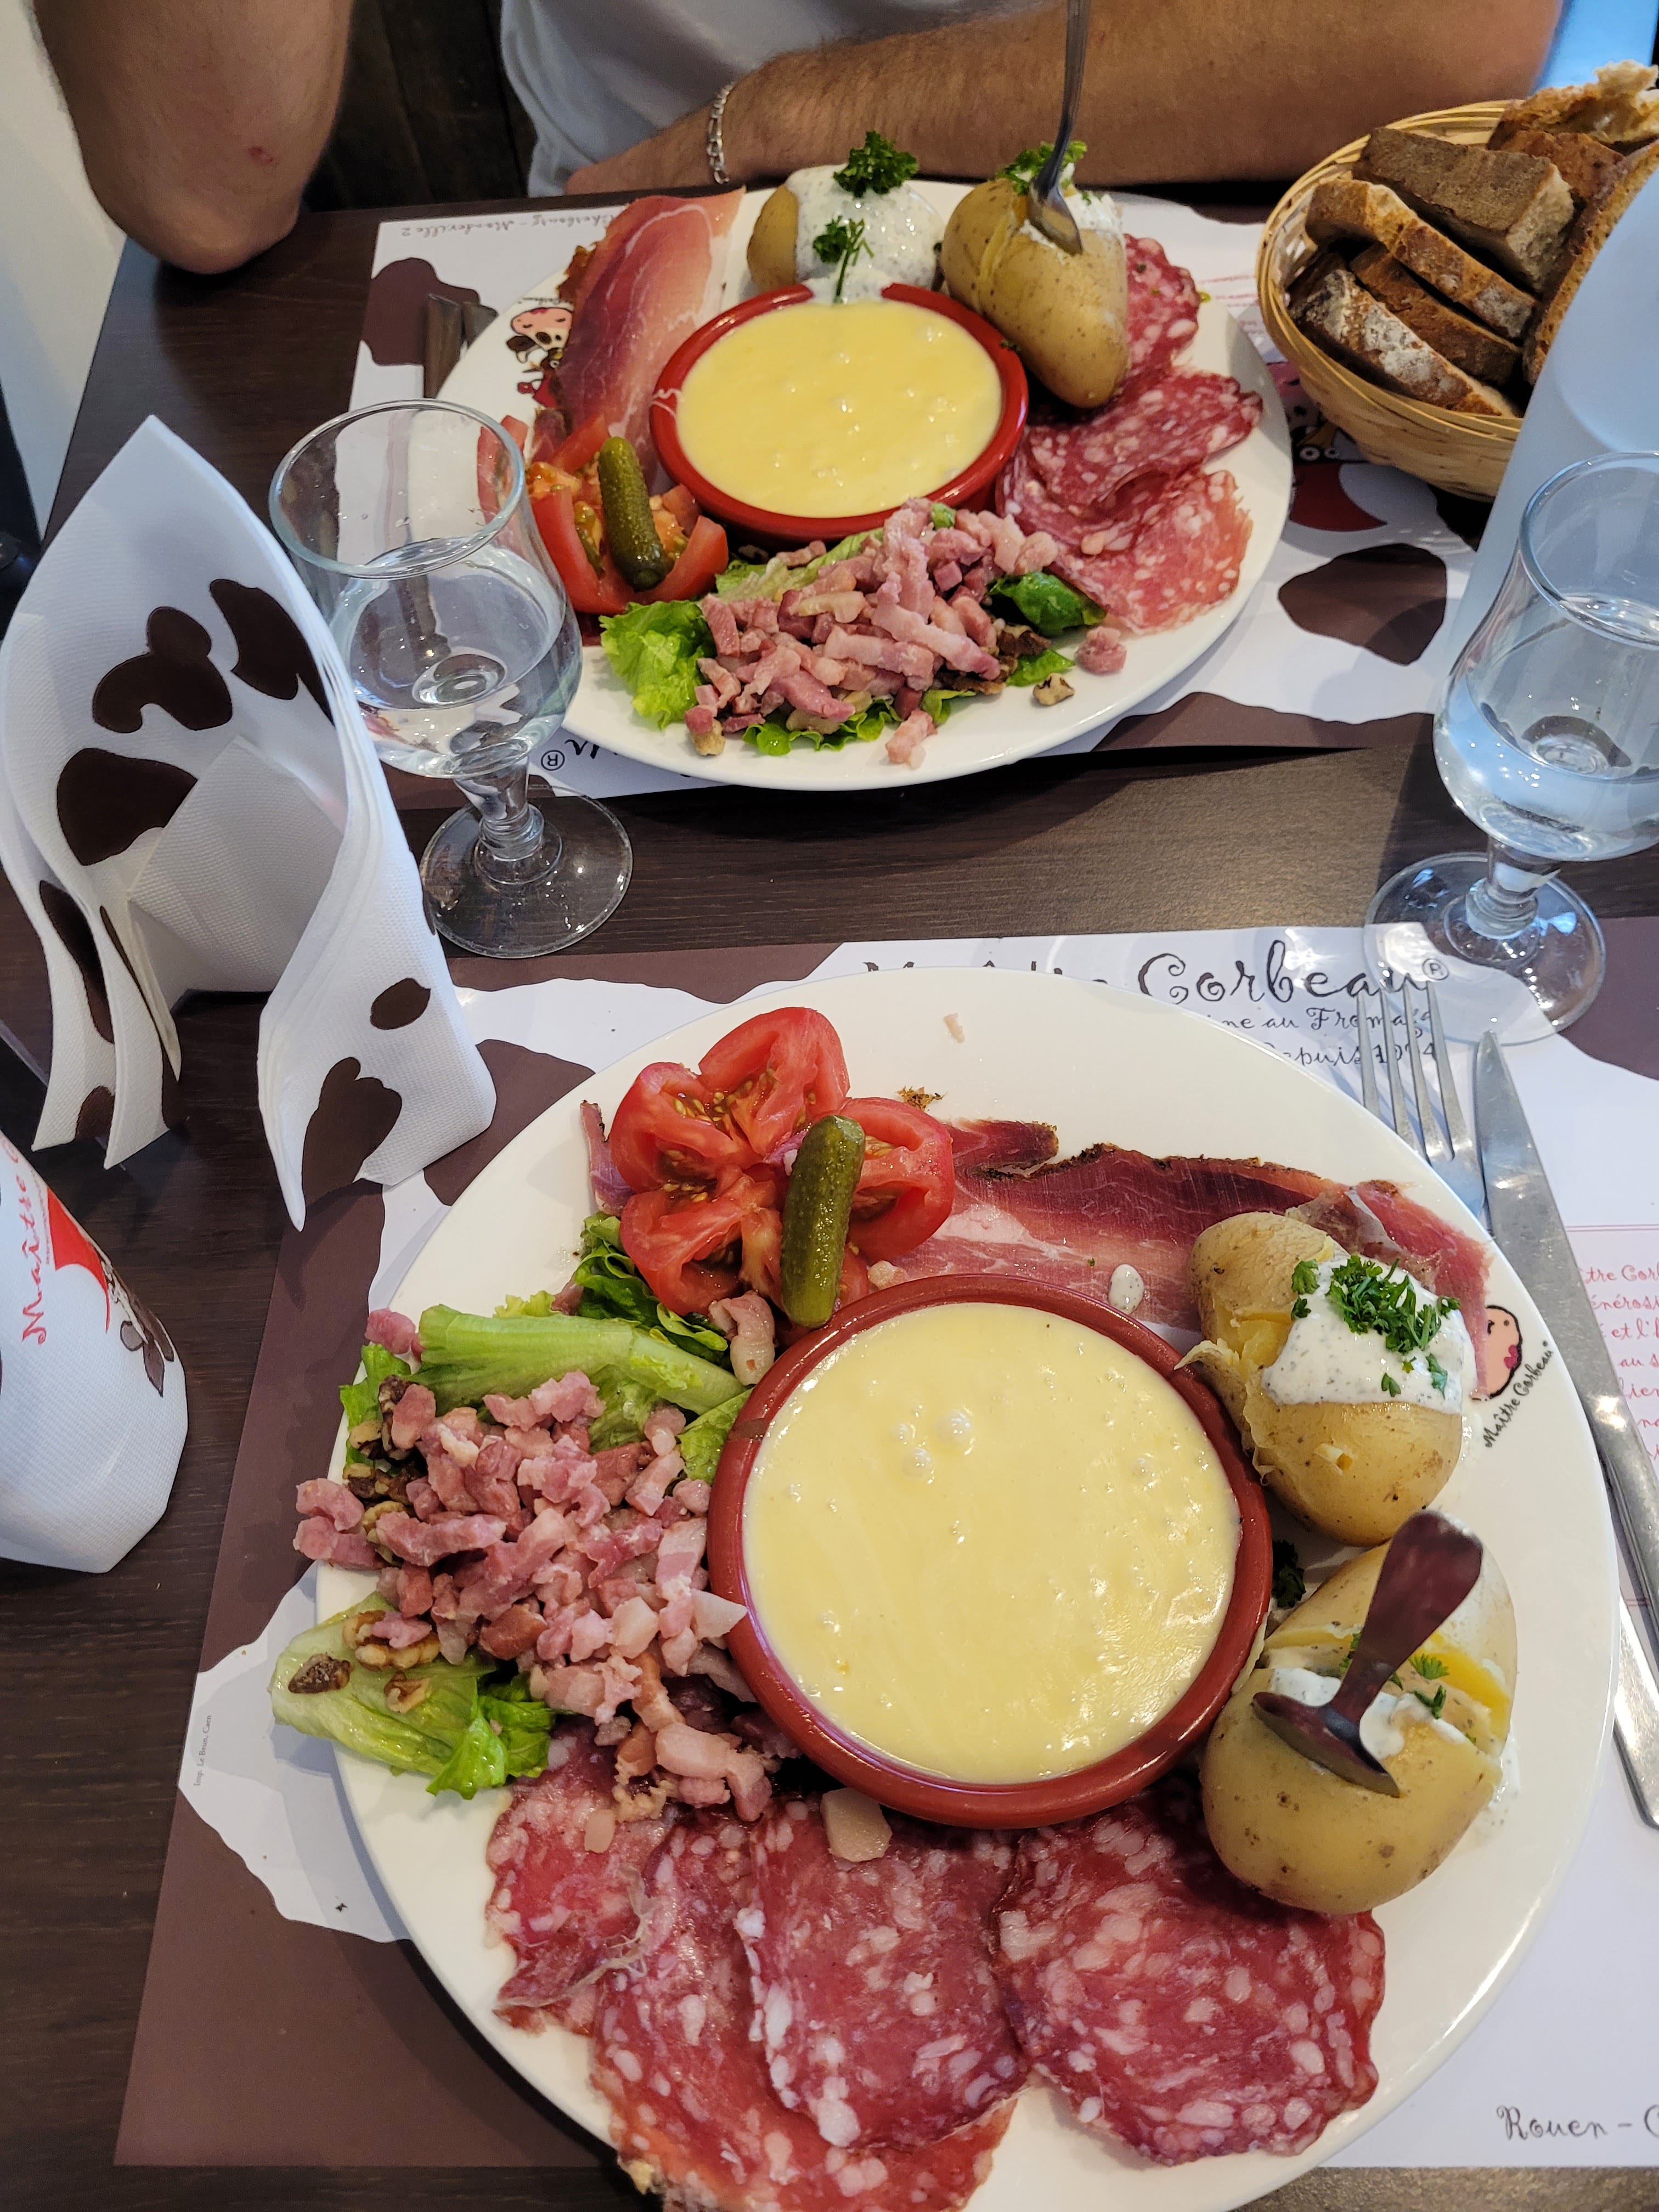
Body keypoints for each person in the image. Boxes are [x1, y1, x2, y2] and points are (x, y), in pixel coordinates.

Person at [36, 0, 1559, 275]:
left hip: (1196, 211)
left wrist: (788, 117)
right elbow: (202, 175)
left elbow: (1446, 34)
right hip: (640, 213)